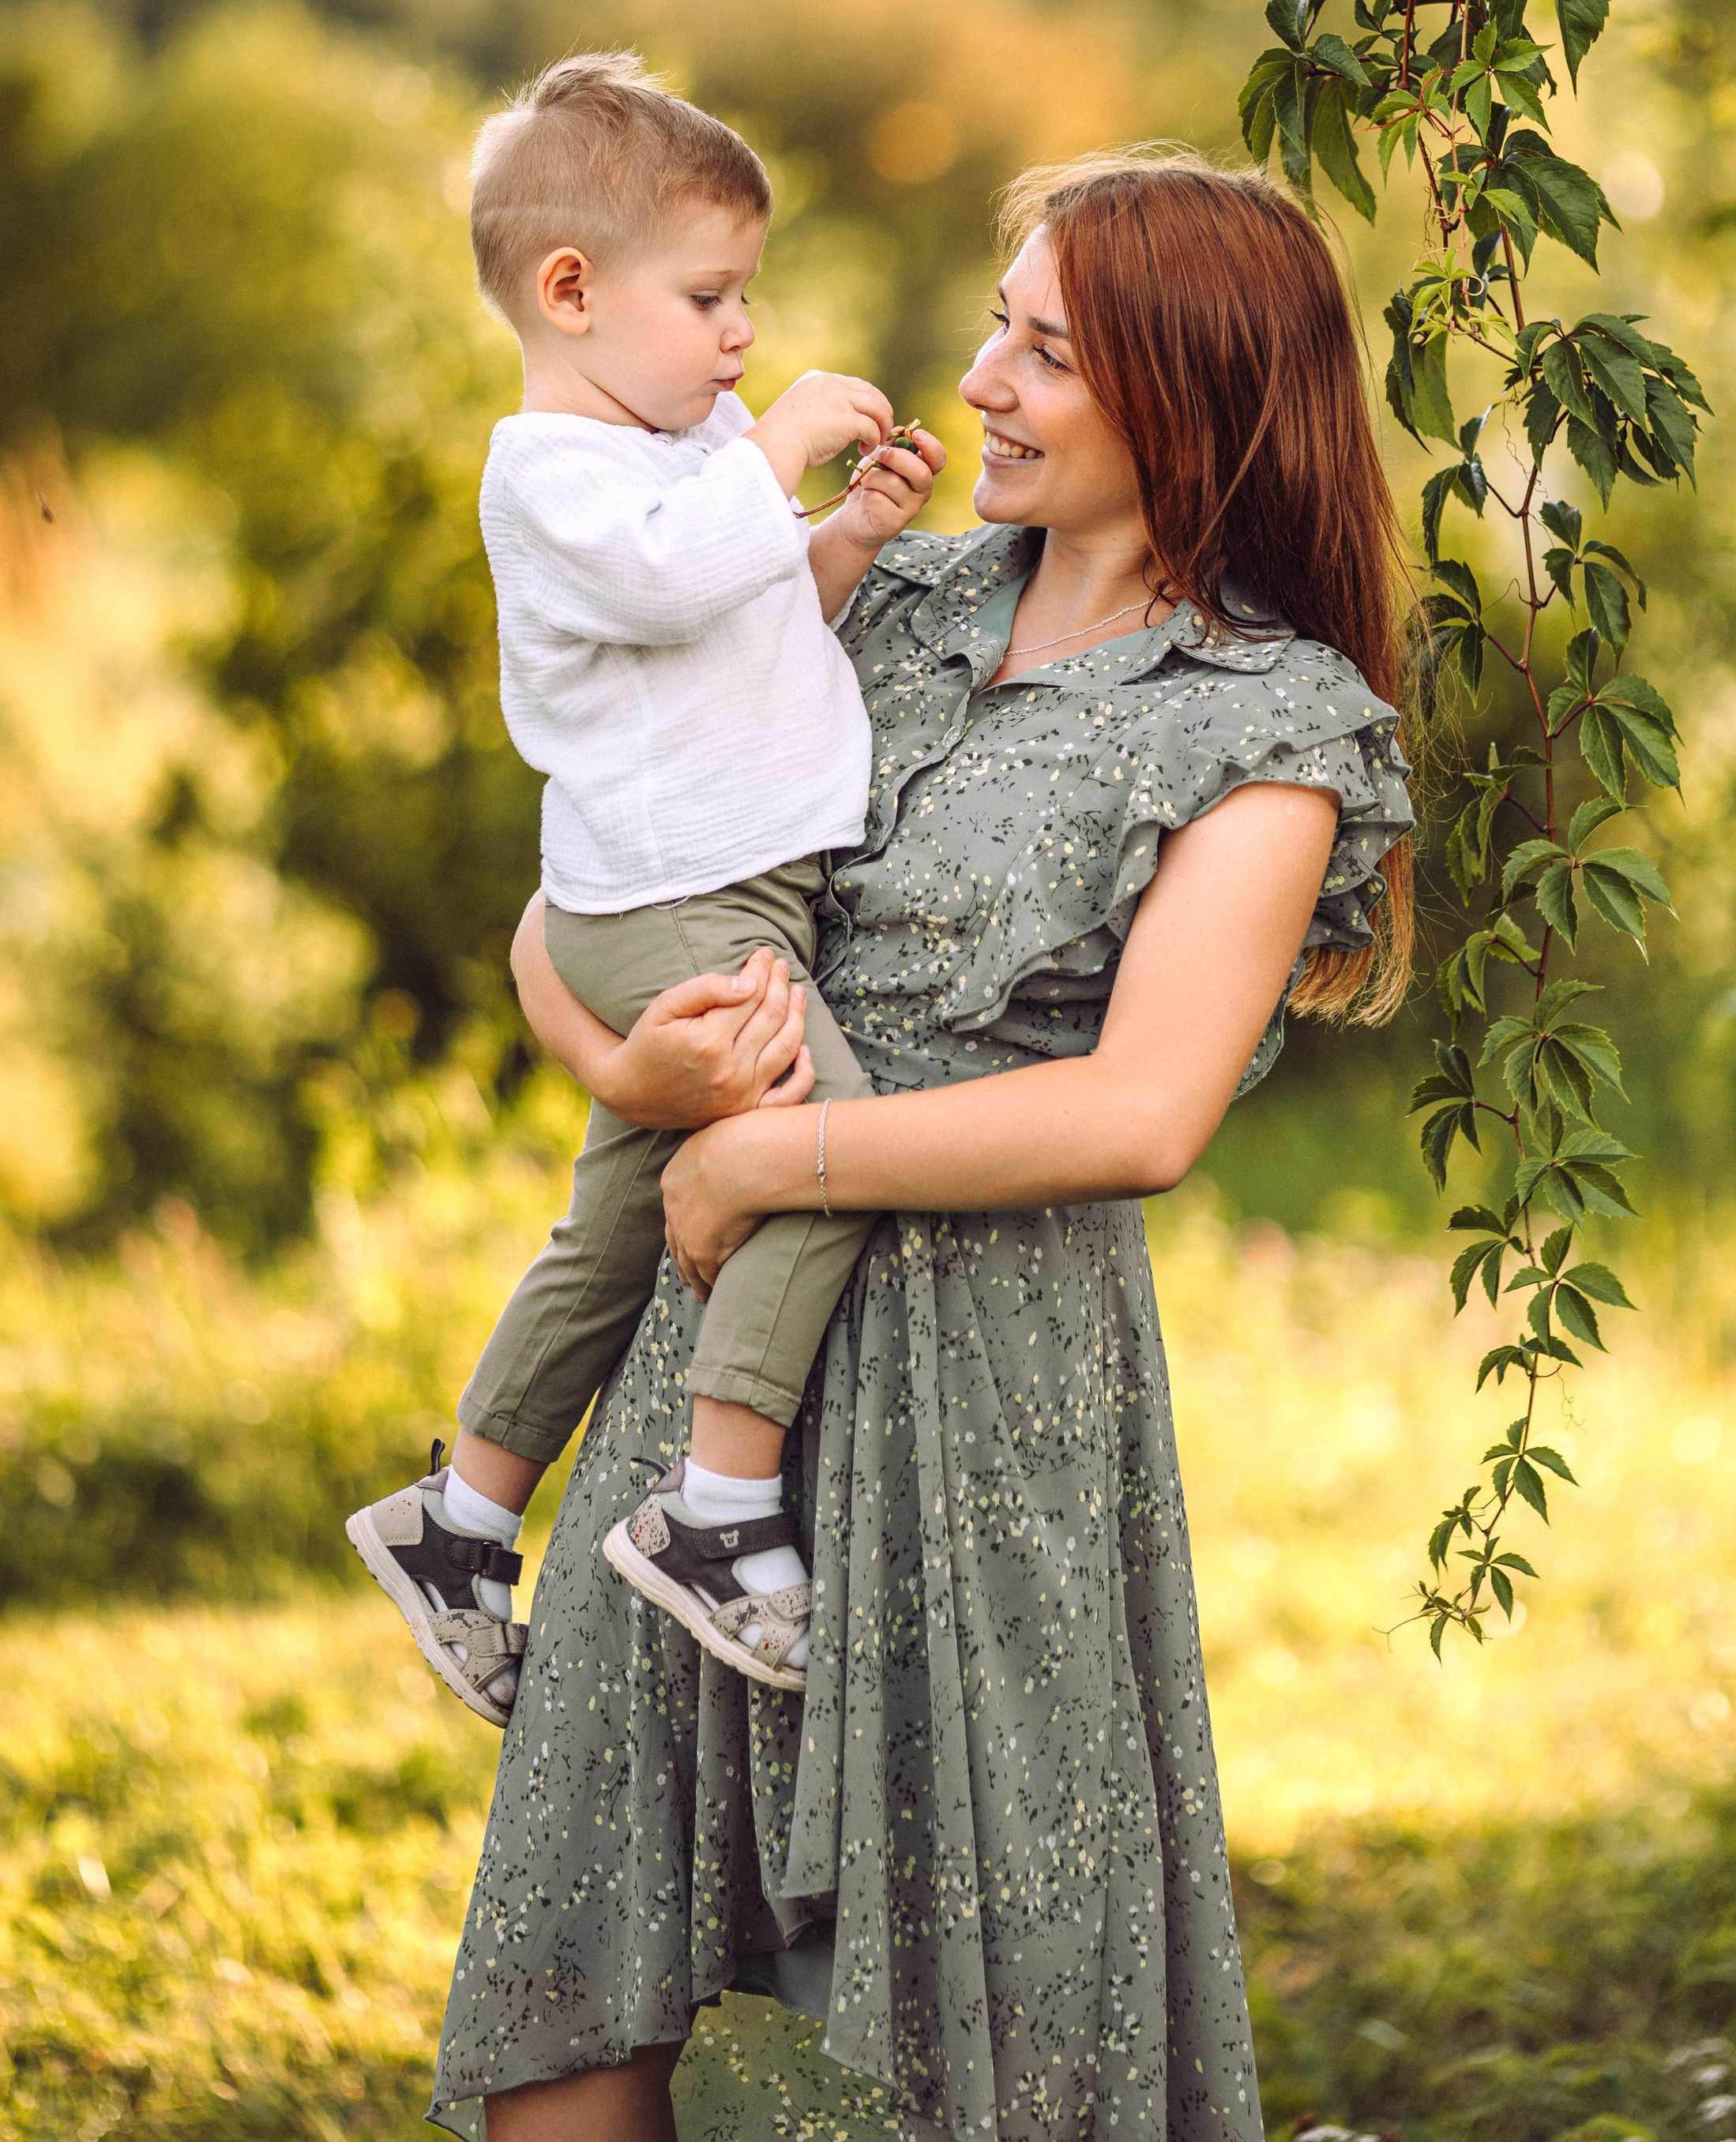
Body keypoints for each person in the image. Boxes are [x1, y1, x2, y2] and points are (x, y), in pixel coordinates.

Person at [429, 148, 1415, 2142]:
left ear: (1186, 398)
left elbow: (1140, 1110)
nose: (979, 382)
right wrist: (631, 1076)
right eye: (996, 327)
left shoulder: (1263, 723)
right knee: (577, 1994)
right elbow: (574, 899)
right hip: (703, 1416)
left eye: (1044, 353)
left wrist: (761, 1167)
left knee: (1001, 2041)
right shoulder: (874, 593)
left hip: (992, 1414)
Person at [348, 52, 946, 1725]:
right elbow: (676, 576)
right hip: (678, 897)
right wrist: (779, 451)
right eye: (707, 297)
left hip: (716, 888)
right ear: (571, 293)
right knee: (823, 1150)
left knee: (614, 1223)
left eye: (745, 295)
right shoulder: (555, 476)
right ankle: (719, 1507)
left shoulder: (697, 453)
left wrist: (844, 535)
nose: (742, 333)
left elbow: (746, 628)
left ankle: (463, 1518)